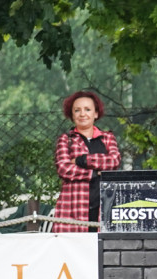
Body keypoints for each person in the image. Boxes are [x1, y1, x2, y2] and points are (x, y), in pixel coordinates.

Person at [52, 90, 121, 233]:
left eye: (87, 109)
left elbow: (114, 161)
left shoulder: (107, 138)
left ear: (96, 113)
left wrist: (81, 160)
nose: (82, 114)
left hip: (104, 207)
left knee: (103, 252)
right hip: (73, 210)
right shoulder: (66, 139)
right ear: (72, 115)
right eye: (77, 110)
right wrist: (94, 174)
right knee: (71, 252)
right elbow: (64, 168)